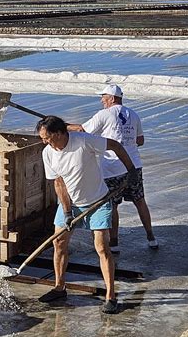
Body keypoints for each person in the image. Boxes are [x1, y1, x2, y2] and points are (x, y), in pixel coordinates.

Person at [36, 115, 138, 314]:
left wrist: (131, 170)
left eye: (46, 137)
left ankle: (110, 296)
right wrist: (66, 212)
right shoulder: (48, 153)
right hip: (70, 204)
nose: (44, 141)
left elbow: (115, 146)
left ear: (58, 133)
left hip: (98, 202)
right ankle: (59, 287)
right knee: (59, 243)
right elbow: (59, 183)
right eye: (42, 138)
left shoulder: (83, 141)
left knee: (101, 247)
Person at [68, 84, 158, 253]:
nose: (102, 100)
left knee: (113, 205)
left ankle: (114, 243)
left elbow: (82, 129)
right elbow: (140, 140)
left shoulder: (104, 114)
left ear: (112, 98)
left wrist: (63, 126)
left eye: (104, 97)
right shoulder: (134, 114)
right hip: (134, 166)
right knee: (140, 201)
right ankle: (151, 237)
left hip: (112, 168)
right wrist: (125, 139)